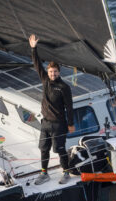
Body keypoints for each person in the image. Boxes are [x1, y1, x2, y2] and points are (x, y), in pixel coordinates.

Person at [29, 34, 75, 185]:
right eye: (50, 72)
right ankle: (44, 173)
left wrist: (70, 124)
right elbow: (37, 64)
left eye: (55, 72)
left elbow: (69, 107)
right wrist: (33, 48)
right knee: (43, 149)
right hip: (45, 123)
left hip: (59, 124)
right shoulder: (45, 81)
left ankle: (66, 172)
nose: (52, 74)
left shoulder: (64, 87)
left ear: (59, 72)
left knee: (60, 150)